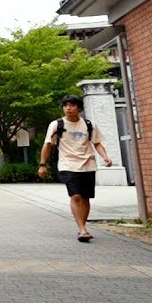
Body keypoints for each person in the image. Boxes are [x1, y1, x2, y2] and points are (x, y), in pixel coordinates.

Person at [38, 94, 113, 242]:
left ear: (79, 108)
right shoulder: (57, 125)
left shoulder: (88, 124)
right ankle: (82, 229)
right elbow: (47, 144)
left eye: (71, 105)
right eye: (65, 105)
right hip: (68, 164)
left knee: (85, 198)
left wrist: (105, 156)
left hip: (88, 165)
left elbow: (97, 143)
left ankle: (82, 227)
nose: (68, 108)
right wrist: (42, 164)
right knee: (76, 196)